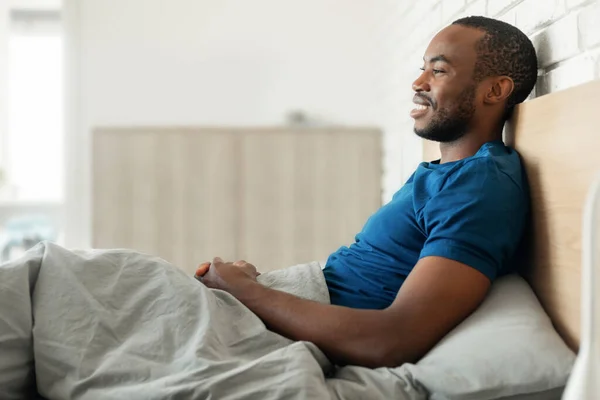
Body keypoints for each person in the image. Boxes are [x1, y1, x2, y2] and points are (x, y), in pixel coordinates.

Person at [195, 16, 538, 369]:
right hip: (282, 302)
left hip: (281, 322)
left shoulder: (479, 186)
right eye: (423, 69)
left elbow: (391, 340)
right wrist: (255, 285)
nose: (418, 83)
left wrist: (245, 290)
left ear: (494, 91)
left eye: (438, 71)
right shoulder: (446, 173)